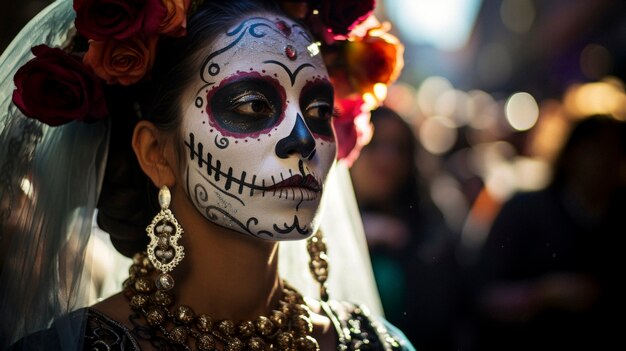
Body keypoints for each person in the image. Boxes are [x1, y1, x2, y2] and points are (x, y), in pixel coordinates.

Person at [0, 0, 411, 350]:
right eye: (252, 106)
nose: (302, 139)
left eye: (320, 111)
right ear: (156, 153)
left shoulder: (373, 343)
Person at [469, 114, 626, 350]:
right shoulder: (524, 211)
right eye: (596, 149)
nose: (605, 162)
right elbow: (481, 295)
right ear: (572, 153)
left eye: (616, 153)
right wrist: (543, 294)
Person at [350, 106, 463, 350]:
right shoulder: (317, 227)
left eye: (398, 148)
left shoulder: (431, 226)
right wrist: (355, 237)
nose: (386, 159)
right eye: (373, 143)